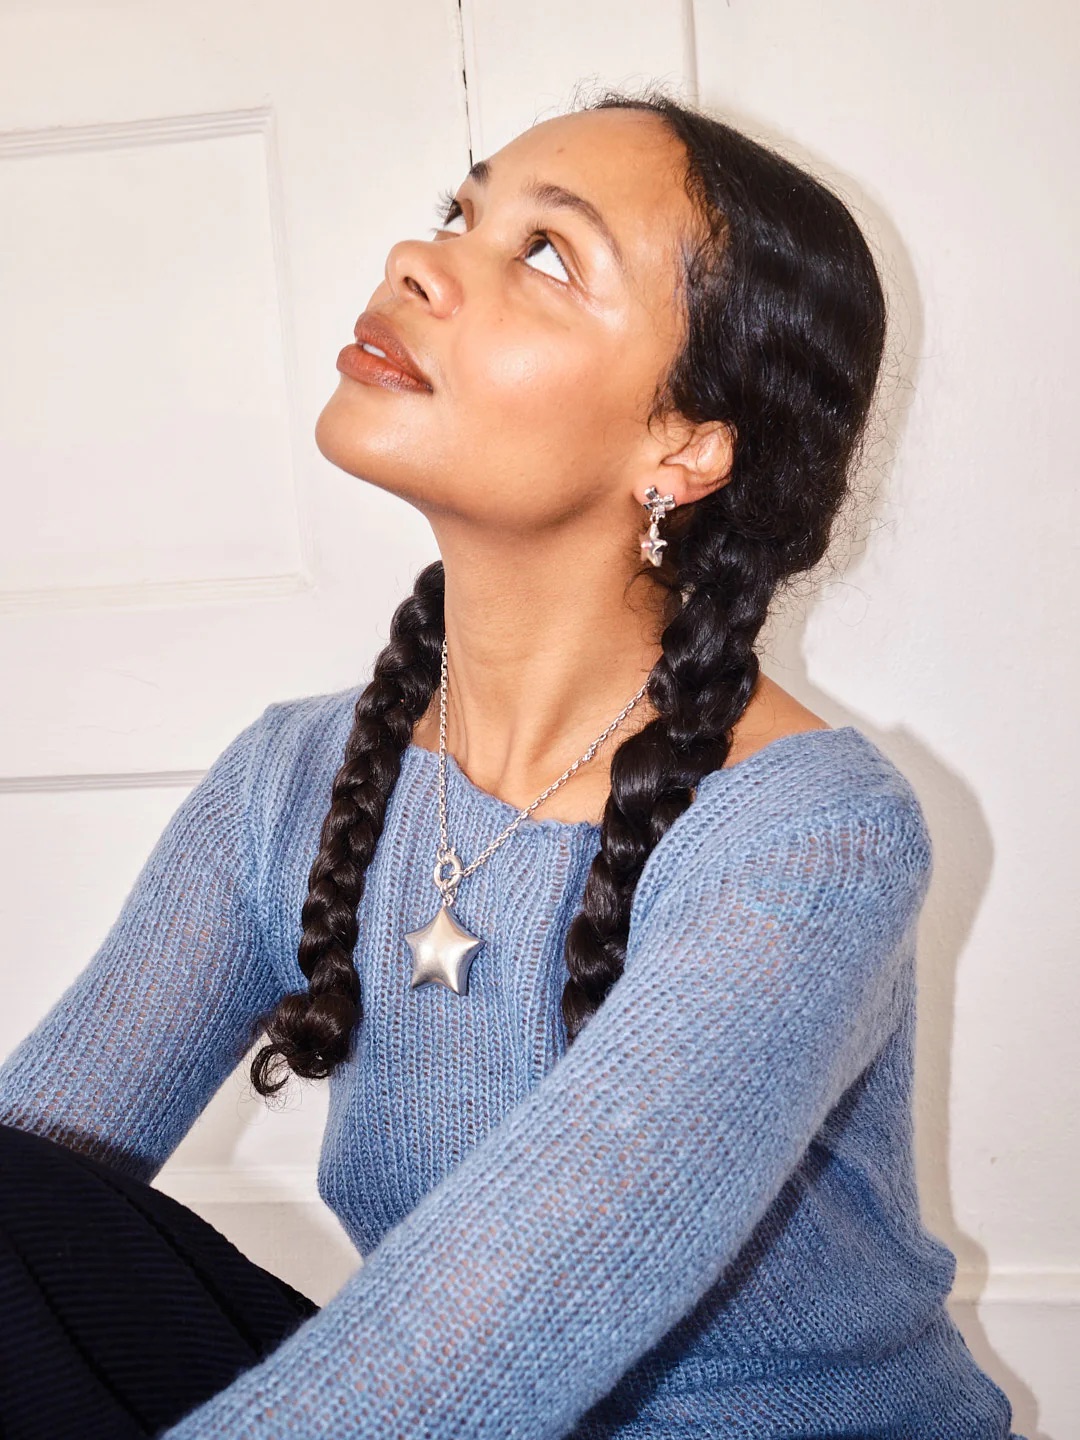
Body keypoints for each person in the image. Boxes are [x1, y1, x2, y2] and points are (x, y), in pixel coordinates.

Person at [0, 85, 1023, 1438]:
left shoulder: (809, 832)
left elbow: (499, 1333)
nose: (417, 261)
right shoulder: (294, 778)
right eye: (457, 215)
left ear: (687, 444)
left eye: (547, 254)